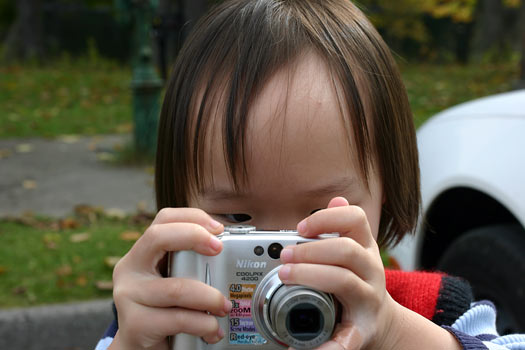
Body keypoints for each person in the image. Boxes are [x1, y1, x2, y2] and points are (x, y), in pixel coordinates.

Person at [96, 0, 525, 349]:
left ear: (387, 192)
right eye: (238, 221)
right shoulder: (167, 320)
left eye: (320, 217)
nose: (284, 263)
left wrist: (397, 333)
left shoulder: (430, 312)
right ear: (179, 207)